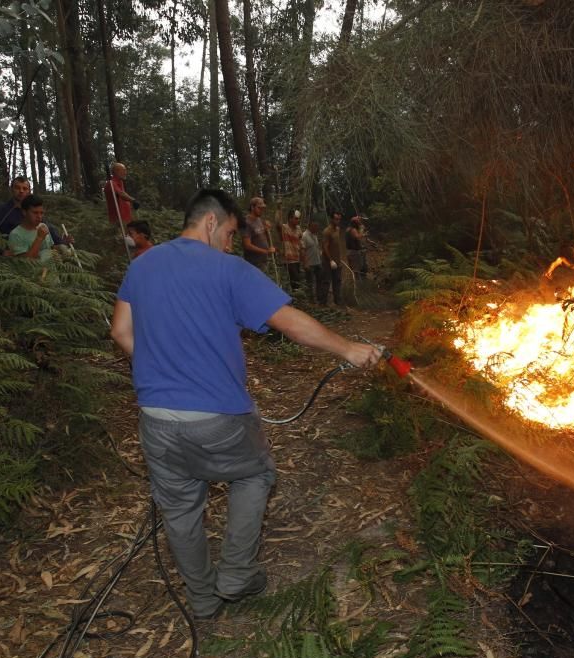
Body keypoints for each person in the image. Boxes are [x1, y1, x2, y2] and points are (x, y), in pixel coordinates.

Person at [110, 189, 381, 620]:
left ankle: (201, 600)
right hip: (218, 417)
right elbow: (288, 321)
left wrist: (163, 370)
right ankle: (236, 572)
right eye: (232, 233)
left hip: (156, 418)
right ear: (213, 223)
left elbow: (122, 332)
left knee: (179, 509)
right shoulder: (228, 269)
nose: (232, 243)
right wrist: (348, 348)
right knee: (255, 474)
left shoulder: (141, 265)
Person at [0, 176, 66, 244]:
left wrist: (62, 241)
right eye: (17, 188)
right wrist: (1, 251)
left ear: (29, 191)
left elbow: (48, 229)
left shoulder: (34, 210)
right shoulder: (0, 210)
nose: (21, 191)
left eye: (25, 188)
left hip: (33, 251)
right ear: (12, 189)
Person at [7, 195, 54, 263]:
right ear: (24, 212)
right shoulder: (16, 234)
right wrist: (39, 238)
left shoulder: (43, 226)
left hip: (52, 270)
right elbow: (25, 262)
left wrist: (63, 247)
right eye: (35, 213)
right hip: (35, 272)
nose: (39, 216)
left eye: (41, 213)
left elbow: (51, 250)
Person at [241, 196, 276, 272]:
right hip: (253, 263)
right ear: (252, 207)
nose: (261, 210)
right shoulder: (247, 222)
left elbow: (262, 237)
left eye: (263, 208)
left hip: (263, 261)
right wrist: (265, 251)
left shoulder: (259, 220)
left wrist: (267, 230)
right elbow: (247, 245)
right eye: (259, 208)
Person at [320, 212, 344, 306]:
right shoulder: (327, 231)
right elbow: (325, 246)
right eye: (336, 219)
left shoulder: (337, 229)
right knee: (326, 281)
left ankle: (337, 301)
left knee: (337, 281)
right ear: (332, 219)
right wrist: (330, 260)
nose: (338, 221)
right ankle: (323, 303)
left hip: (337, 261)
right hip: (328, 262)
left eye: (339, 219)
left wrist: (338, 259)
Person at [104, 162, 138, 227]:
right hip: (118, 220)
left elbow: (123, 195)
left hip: (126, 219)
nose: (126, 172)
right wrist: (133, 200)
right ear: (116, 171)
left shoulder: (120, 182)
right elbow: (121, 194)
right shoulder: (111, 183)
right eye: (124, 170)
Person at [279, 210, 304, 291]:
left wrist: (303, 257)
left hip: (297, 258)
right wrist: (279, 209)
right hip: (288, 260)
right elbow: (277, 223)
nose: (298, 220)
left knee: (297, 281)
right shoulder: (284, 227)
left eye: (298, 219)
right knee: (295, 281)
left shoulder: (299, 229)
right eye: (296, 218)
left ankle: (296, 299)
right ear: (290, 219)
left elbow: (301, 243)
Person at [300, 220, 323, 302]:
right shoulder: (304, 236)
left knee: (319, 281)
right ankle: (310, 300)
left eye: (317, 226)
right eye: (315, 226)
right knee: (310, 282)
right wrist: (305, 263)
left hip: (317, 262)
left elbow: (316, 247)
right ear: (310, 226)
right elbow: (302, 250)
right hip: (310, 264)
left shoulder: (315, 235)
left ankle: (320, 298)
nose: (317, 228)